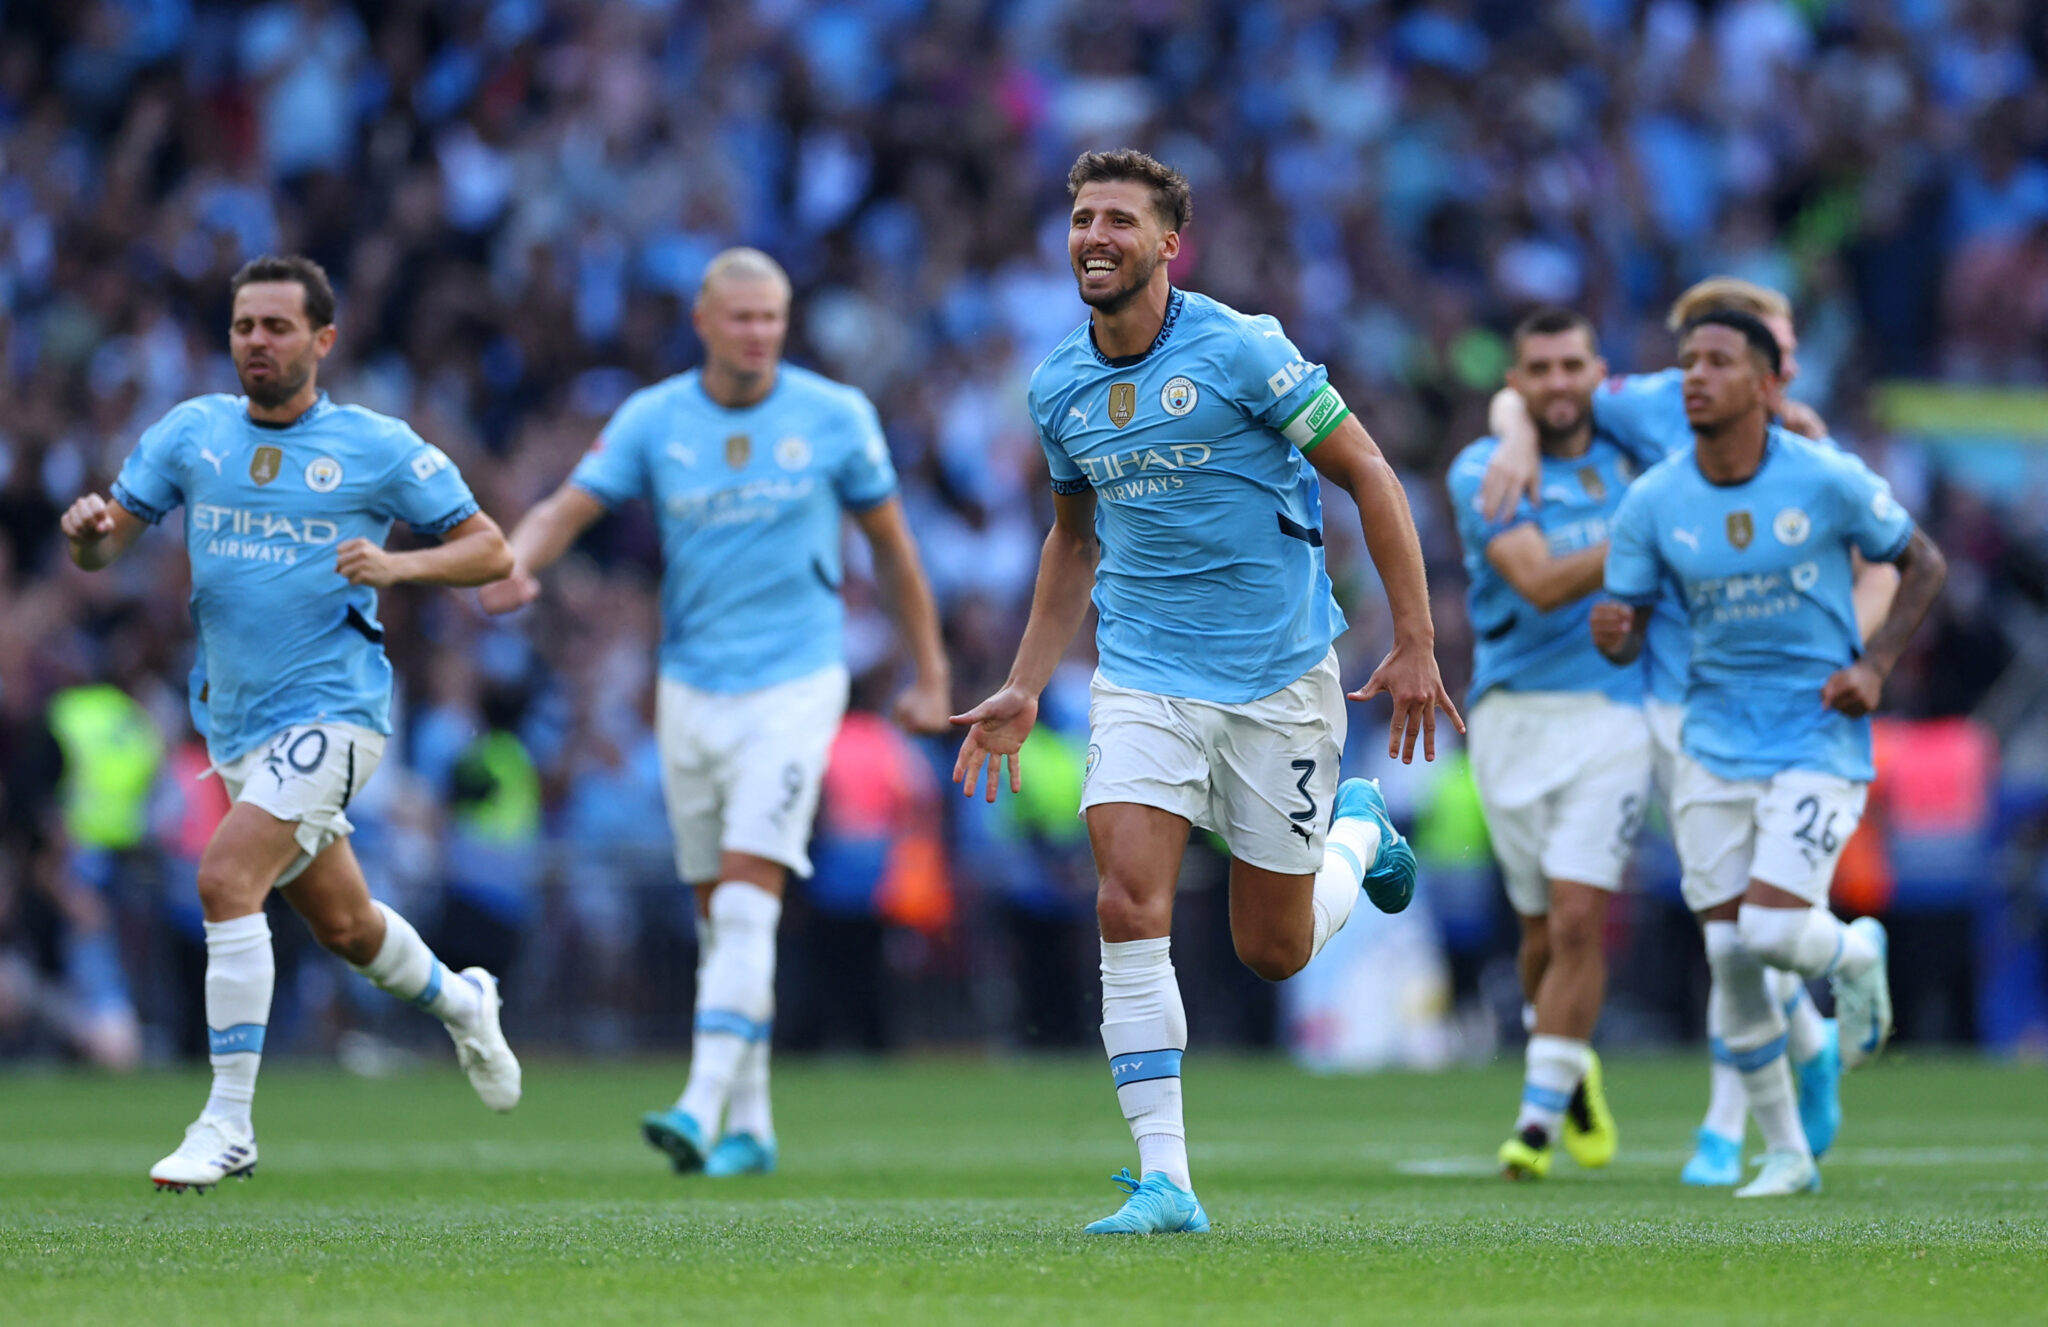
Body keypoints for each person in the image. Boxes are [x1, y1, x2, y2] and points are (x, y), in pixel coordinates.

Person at [952, 150, 1460, 1234]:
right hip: (1140, 674)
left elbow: (1369, 473)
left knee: (1269, 951)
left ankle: (1356, 834)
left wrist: (1412, 637)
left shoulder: (1240, 348)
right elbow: (1071, 540)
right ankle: (1167, 1179)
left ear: (1166, 245)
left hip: (1278, 677)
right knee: (1124, 902)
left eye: (1118, 221)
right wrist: (1022, 683)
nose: (1094, 235)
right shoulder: (1057, 388)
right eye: (1081, 216)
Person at [480, 247, 951, 1179]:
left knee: (744, 897)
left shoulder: (833, 416)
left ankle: (699, 1105)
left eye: (772, 318)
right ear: (704, 321)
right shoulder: (656, 419)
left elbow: (894, 551)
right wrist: (519, 560)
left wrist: (930, 673)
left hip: (795, 682)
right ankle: (755, 1124)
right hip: (689, 687)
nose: (758, 333)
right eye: (741, 317)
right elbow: (568, 505)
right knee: (721, 916)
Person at [59, 254, 522, 1192]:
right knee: (348, 930)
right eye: (243, 327)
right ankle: (466, 1002)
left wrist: (400, 569)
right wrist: (87, 537)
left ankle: (226, 1122)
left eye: (275, 326)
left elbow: (489, 549)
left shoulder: (378, 445)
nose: (257, 343)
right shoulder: (193, 432)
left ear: (323, 340)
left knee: (226, 875)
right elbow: (112, 546)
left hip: (336, 714)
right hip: (234, 726)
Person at [1479, 278, 1886, 1185]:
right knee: (1727, 929)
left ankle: (1732, 1122)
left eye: (1773, 344)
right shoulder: (1658, 404)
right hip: (1667, 696)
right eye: (1725, 346)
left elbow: (1885, 558)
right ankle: (1801, 1053)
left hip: (1778, 709)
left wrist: (1855, 653)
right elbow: (1546, 381)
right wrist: (1512, 427)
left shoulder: (1806, 450)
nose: (1762, 362)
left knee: (1753, 920)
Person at [1593, 310, 1946, 1197]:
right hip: (1711, 741)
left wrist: (1875, 663)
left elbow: (1924, 561)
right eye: (1687, 362)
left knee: (1776, 929)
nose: (1696, 377)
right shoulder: (1653, 500)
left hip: (1815, 734)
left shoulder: (1823, 478)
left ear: (1766, 383)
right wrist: (1616, 631)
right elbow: (1628, 631)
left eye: (1719, 361)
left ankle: (1857, 953)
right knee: (1732, 960)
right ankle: (1786, 1153)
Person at [1446, 308, 1643, 1181]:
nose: (1560, 382)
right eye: (1541, 368)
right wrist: (1651, 533)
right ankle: (1571, 1065)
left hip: (1615, 713)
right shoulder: (1482, 470)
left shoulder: (1637, 458)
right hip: (1511, 718)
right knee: (1536, 934)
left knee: (1575, 917)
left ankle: (1531, 1124)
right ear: (1515, 383)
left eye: (1574, 364)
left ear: (1599, 371)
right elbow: (1538, 580)